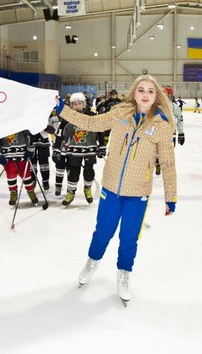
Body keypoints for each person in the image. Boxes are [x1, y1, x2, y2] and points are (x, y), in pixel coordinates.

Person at [55, 74, 177, 305]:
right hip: (111, 187)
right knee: (102, 232)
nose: (145, 94)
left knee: (129, 238)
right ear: (134, 92)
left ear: (156, 96)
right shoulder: (120, 114)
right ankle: (92, 262)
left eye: (150, 91)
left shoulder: (162, 126)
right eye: (141, 89)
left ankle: (124, 274)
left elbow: (168, 164)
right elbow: (91, 124)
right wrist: (62, 108)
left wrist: (171, 197)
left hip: (138, 192)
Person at [52, 93, 105, 205]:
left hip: (89, 149)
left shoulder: (92, 116)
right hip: (74, 150)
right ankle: (71, 192)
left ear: (84, 104)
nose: (77, 106)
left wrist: (102, 146)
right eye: (74, 104)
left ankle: (87, 189)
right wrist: (56, 149)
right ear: (71, 105)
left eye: (79, 103)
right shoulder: (68, 118)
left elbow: (100, 131)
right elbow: (60, 135)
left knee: (89, 171)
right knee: (73, 172)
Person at [0, 131, 39, 206]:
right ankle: (13, 192)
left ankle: (30, 191)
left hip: (21, 152)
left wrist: (30, 147)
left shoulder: (21, 120)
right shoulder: (2, 123)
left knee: (25, 173)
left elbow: (29, 133)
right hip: (6, 153)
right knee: (11, 173)